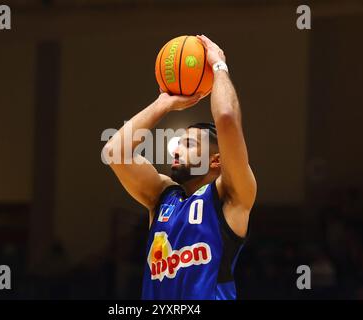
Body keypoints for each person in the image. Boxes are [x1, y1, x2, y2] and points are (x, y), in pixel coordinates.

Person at [103, 35, 257, 299]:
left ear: (216, 160)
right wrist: (163, 103)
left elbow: (227, 118)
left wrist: (218, 65)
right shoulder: (162, 196)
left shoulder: (231, 197)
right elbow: (114, 152)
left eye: (188, 143)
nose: (175, 149)